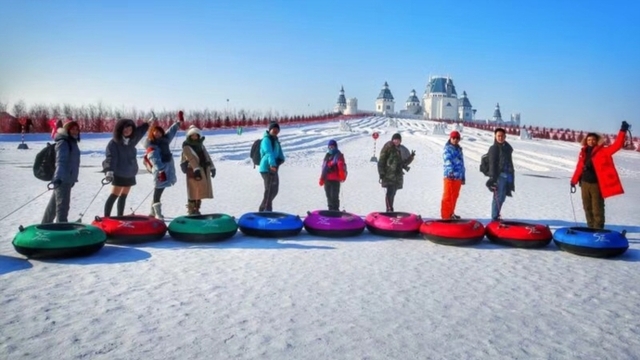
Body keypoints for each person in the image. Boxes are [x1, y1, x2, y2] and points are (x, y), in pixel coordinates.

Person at [570, 121, 629, 229]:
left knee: (597, 209)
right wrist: (574, 180)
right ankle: (590, 228)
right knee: (587, 208)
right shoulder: (583, 152)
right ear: (585, 141)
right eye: (588, 140)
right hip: (584, 184)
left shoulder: (604, 151)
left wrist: (622, 131)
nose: (591, 141)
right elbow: (579, 167)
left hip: (596, 185)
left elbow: (617, 145)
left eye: (593, 139)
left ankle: (598, 230)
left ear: (597, 141)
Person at [102, 117, 152, 217]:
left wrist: (147, 123)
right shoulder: (114, 143)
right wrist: (109, 171)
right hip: (119, 173)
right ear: (120, 129)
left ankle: (120, 216)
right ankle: (106, 218)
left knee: (123, 196)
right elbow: (110, 158)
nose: (127, 131)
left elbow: (140, 132)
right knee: (114, 196)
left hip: (130, 173)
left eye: (130, 129)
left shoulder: (132, 140)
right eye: (125, 129)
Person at [144, 114, 183, 220]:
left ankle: (152, 212)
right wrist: (161, 171)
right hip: (159, 172)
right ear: (152, 133)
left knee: (159, 190)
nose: (157, 134)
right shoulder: (151, 145)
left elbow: (171, 132)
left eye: (159, 132)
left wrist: (178, 123)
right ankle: (157, 214)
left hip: (167, 170)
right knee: (158, 190)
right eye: (155, 132)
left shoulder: (164, 141)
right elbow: (154, 159)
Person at [41, 121, 81, 223]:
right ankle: (61, 228)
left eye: (77, 129)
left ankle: (45, 225)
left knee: (54, 205)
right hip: (62, 179)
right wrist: (58, 178)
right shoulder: (63, 143)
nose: (75, 131)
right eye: (72, 129)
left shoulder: (72, 142)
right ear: (67, 130)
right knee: (62, 208)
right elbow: (60, 161)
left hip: (67, 179)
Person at [181, 125, 215, 215]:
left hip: (202, 169)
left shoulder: (201, 145)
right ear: (189, 136)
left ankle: (197, 209)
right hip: (192, 171)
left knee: (199, 190)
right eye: (192, 135)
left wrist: (212, 167)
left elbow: (207, 156)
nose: (194, 137)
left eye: (196, 135)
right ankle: (191, 210)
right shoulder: (186, 146)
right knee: (193, 190)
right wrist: (196, 169)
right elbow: (190, 158)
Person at [378, 133, 415, 212]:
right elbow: (381, 160)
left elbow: (404, 163)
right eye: (395, 139)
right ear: (392, 140)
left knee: (393, 192)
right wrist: (381, 172)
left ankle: (390, 208)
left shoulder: (401, 149)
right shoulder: (388, 147)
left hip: (397, 175)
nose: (396, 141)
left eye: (398, 140)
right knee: (390, 192)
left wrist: (411, 157)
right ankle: (389, 209)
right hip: (388, 174)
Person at [486, 128, 515, 221]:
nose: (500, 138)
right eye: (498, 136)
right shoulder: (494, 148)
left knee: (502, 196)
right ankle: (494, 217)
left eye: (502, 136)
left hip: (507, 176)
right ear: (495, 136)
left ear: (505, 137)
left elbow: (509, 162)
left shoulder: (507, 148)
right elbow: (492, 164)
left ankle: (497, 214)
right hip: (498, 176)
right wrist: (492, 178)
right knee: (497, 197)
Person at [258, 122, 285, 212]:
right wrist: (272, 164)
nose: (276, 131)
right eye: (274, 129)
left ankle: (264, 208)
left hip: (274, 167)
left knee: (274, 190)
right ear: (270, 130)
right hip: (266, 168)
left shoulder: (276, 141)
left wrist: (281, 159)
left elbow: (280, 153)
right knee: (269, 189)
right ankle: (265, 210)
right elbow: (269, 153)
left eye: (277, 130)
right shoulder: (266, 140)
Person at [441, 130, 465, 219]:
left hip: (458, 177)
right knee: (447, 196)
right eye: (453, 138)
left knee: (454, 196)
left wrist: (463, 176)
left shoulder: (459, 149)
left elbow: (462, 164)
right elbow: (447, 160)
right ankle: (445, 216)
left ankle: (451, 213)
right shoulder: (447, 149)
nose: (455, 140)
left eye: (457, 138)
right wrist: (450, 171)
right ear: (450, 138)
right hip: (449, 176)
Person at [318, 139, 347, 211]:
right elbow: (323, 167)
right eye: (329, 147)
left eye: (332, 147)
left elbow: (341, 166)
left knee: (334, 197)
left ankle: (335, 211)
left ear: (336, 147)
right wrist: (321, 178)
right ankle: (330, 210)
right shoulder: (327, 156)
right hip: (327, 180)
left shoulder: (338, 155)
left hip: (335, 180)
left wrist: (342, 175)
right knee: (328, 197)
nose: (331, 149)